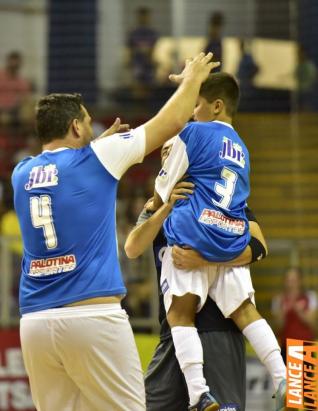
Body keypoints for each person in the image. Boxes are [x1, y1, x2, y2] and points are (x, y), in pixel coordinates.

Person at [11, 52, 219, 411]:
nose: (93, 130)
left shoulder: (21, 173)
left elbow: (65, 172)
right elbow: (169, 122)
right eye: (88, 124)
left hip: (35, 323)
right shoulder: (97, 157)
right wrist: (193, 79)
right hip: (92, 318)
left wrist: (95, 147)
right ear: (77, 127)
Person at [154, 73, 286, 411]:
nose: (192, 112)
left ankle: (200, 393)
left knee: (179, 313)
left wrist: (160, 194)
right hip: (230, 236)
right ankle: (286, 377)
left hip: (194, 242)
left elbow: (161, 192)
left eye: (196, 106)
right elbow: (255, 237)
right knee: (246, 310)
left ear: (216, 106)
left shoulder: (193, 133)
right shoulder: (241, 147)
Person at [125, 138, 268, 411]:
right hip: (174, 335)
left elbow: (259, 247)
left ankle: (287, 379)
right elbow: (132, 248)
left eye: (174, 151)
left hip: (218, 330)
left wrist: (203, 258)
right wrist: (165, 207)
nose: (169, 157)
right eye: (164, 153)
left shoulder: (226, 202)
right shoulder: (156, 205)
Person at [272, 267, 317, 362]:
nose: (290, 284)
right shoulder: (278, 300)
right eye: (288, 280)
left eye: (294, 280)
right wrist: (283, 312)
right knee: (286, 377)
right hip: (286, 347)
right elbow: (277, 328)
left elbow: (313, 325)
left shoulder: (310, 297)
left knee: (305, 377)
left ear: (300, 281)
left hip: (306, 347)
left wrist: (300, 312)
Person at [0, 51, 32, 126]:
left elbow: (25, 99)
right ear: (8, 62)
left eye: (16, 65)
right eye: (12, 64)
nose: (14, 66)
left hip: (15, 112)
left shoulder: (23, 82)